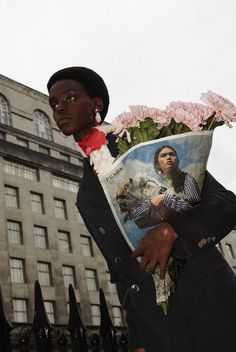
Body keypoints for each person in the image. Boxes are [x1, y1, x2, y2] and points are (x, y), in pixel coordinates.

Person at [47, 66, 236, 352]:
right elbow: (121, 273)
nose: (60, 108)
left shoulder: (144, 142)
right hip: (159, 329)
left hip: (210, 307)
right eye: (54, 104)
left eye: (70, 98)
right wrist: (138, 337)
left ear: (96, 104)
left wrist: (174, 232)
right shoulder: (86, 194)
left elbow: (224, 203)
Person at [130, 145, 201, 228]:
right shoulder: (152, 183)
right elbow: (135, 217)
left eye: (171, 154)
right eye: (163, 155)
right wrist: (150, 203)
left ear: (177, 161)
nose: (168, 157)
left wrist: (165, 197)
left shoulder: (187, 178)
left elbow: (194, 208)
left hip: (189, 226)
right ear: (157, 164)